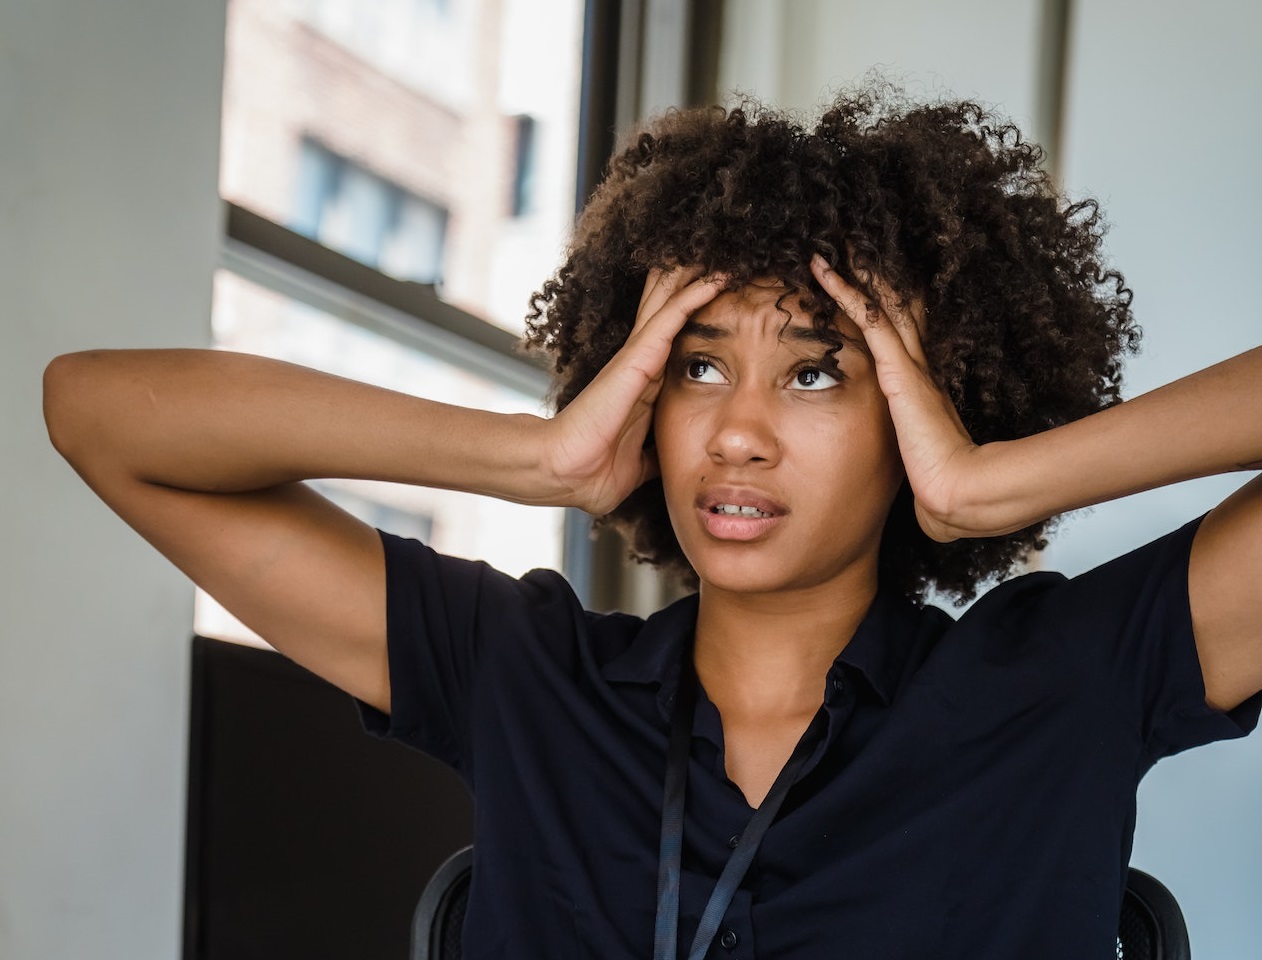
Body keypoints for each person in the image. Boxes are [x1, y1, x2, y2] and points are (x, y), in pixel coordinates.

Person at [43, 87, 1262, 959]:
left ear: (925, 403)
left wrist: (993, 483)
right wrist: (537, 456)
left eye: (814, 373)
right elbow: (95, 413)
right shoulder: (524, 672)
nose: (736, 432)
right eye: (696, 366)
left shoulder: (1063, 681)